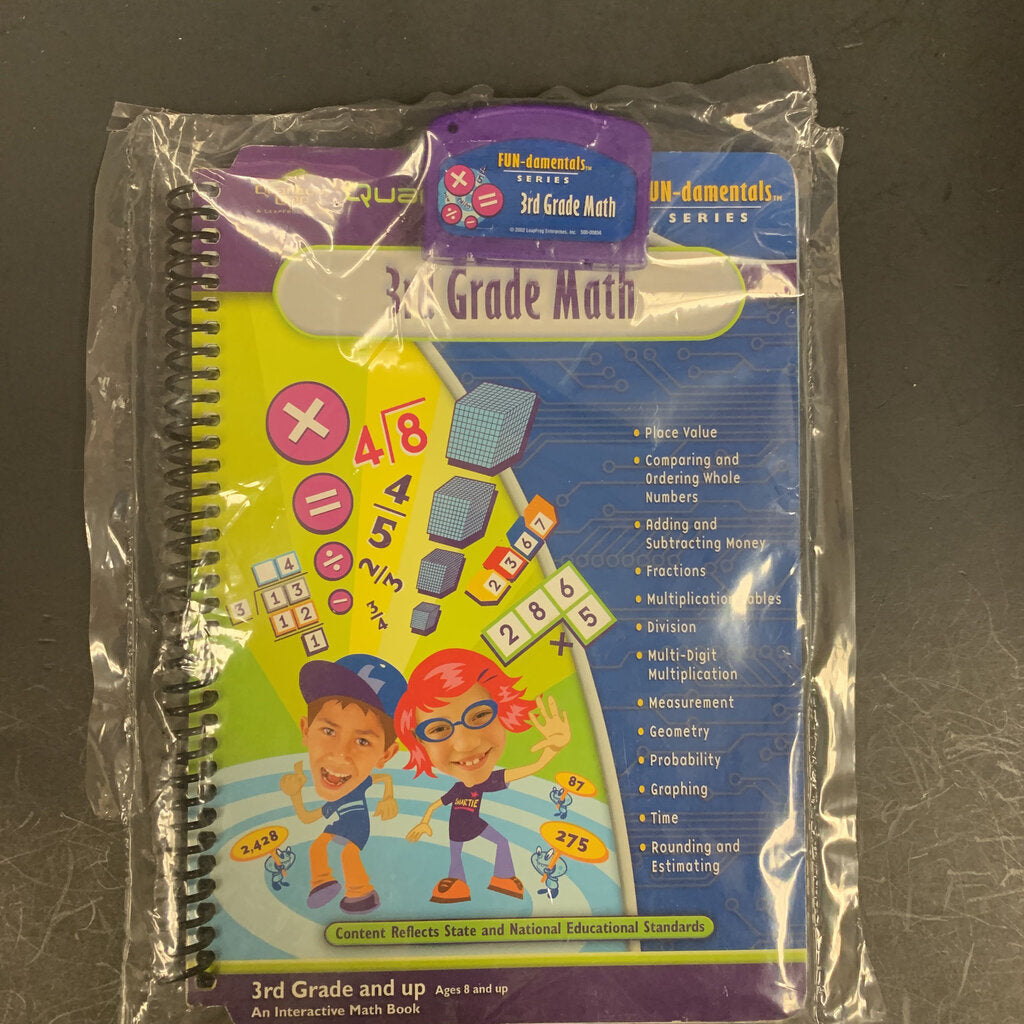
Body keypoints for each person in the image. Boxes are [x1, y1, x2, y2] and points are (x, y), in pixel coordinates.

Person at [396, 647, 570, 904]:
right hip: (457, 830)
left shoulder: (485, 783)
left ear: (502, 708)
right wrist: (425, 821)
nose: (465, 744)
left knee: (499, 843)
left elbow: (527, 770)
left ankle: (502, 878)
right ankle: (459, 884)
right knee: (458, 856)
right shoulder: (458, 789)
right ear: (419, 740)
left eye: (479, 715)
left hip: (473, 825)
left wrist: (552, 751)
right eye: (438, 729)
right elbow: (436, 804)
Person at [279, 656, 406, 914]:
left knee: (349, 853)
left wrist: (388, 798)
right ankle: (322, 883)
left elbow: (383, 779)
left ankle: (361, 893)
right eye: (328, 731)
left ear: (386, 755)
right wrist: (295, 794)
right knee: (318, 846)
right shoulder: (337, 800)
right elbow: (306, 817)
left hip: (357, 826)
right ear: (306, 730)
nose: (340, 753)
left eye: (362, 741)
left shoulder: (357, 788)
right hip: (340, 823)